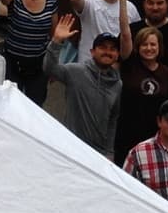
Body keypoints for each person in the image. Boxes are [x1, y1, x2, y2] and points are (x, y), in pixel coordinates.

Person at [44, 16, 125, 159]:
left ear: (117, 55)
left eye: (112, 49)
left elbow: (113, 119)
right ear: (92, 52)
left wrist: (109, 151)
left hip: (99, 153)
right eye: (102, 47)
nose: (107, 52)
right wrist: (56, 41)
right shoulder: (76, 71)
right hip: (71, 146)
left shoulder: (117, 84)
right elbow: (50, 69)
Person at [0, 0, 57, 105]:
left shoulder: (51, 2)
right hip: (13, 63)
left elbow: (54, 37)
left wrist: (53, 65)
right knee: (10, 105)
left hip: (38, 66)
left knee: (35, 106)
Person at [114, 26, 168, 165]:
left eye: (153, 44)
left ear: (159, 47)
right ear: (138, 47)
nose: (149, 48)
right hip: (127, 134)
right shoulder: (129, 66)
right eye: (144, 44)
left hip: (156, 138)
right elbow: (125, 35)